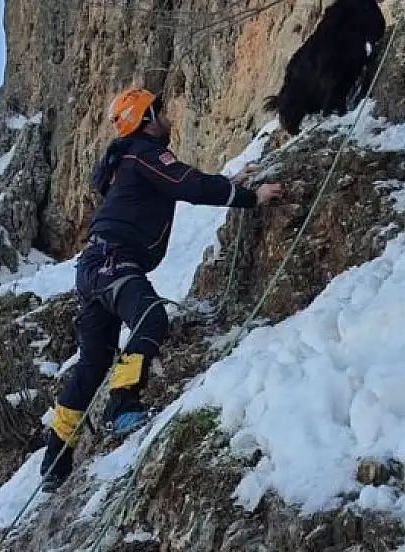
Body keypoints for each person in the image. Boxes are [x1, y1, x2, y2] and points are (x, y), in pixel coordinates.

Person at [39, 87, 283, 493]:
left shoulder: (128, 162)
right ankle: (121, 405)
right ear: (146, 117)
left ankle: (55, 459)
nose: (168, 117)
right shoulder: (142, 153)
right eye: (160, 111)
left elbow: (180, 185)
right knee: (150, 318)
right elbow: (185, 183)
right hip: (115, 262)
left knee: (93, 362)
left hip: (94, 268)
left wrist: (227, 182)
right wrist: (249, 197)